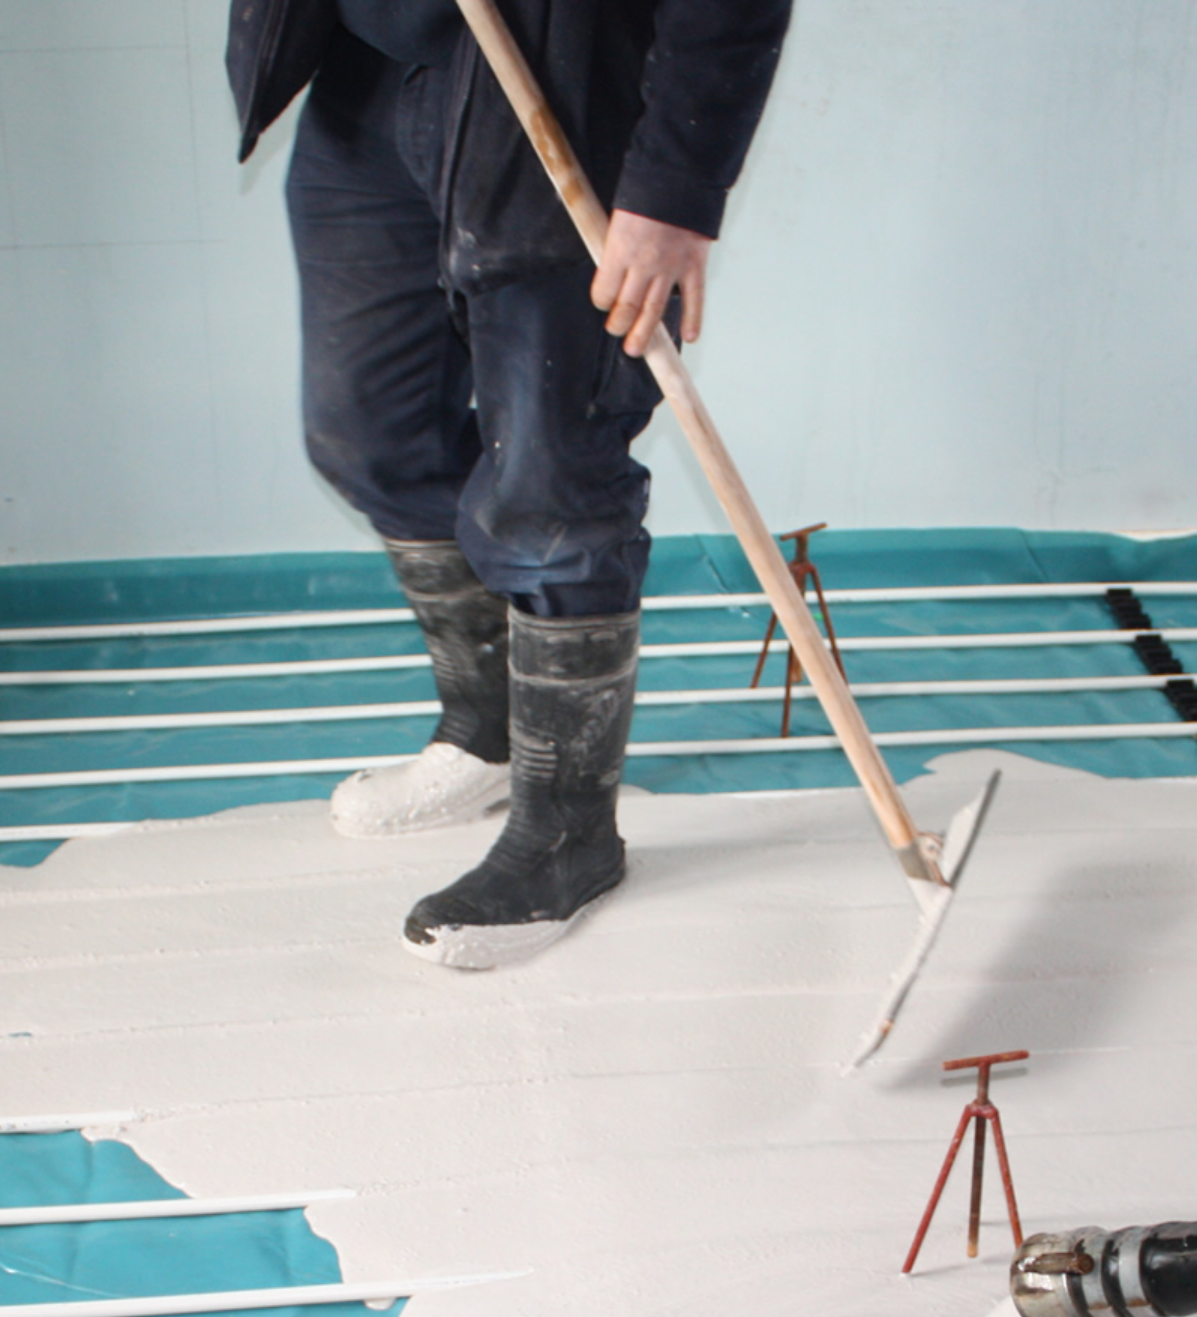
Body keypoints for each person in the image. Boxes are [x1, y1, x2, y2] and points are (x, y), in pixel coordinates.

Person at [226, 0, 791, 966]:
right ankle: (487, 735)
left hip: (553, 89)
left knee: (551, 482)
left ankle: (568, 833)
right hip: (366, 79)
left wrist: (674, 189)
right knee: (369, 433)